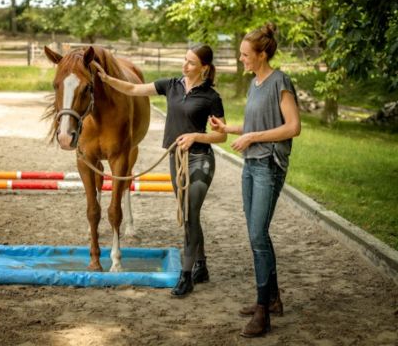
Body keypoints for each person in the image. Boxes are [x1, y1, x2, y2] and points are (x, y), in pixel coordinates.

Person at [95, 45, 227, 298]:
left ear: (204, 68)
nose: (185, 66)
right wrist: (106, 78)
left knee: (189, 213)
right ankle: (202, 264)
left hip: (200, 159)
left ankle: (186, 275)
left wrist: (196, 136)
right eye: (184, 60)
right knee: (192, 214)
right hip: (175, 160)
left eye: (191, 63)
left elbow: (220, 136)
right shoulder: (172, 85)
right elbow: (133, 89)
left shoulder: (211, 97)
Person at [209, 23, 301, 337]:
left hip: (268, 165)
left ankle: (264, 311)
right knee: (255, 234)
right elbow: (252, 124)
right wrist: (227, 128)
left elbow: (293, 127)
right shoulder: (256, 84)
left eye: (246, 55)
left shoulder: (280, 82)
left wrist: (253, 137)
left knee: (258, 235)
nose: (242, 60)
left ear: (262, 54)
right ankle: (272, 298)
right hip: (250, 164)